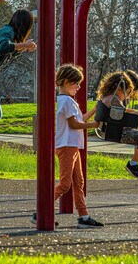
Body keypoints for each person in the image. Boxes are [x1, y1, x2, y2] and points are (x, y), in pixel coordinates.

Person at [30, 64, 104, 229]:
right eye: (75, 83)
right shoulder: (66, 101)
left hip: (72, 146)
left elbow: (80, 119)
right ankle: (40, 212)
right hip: (66, 146)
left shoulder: (68, 101)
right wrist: (94, 125)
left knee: (79, 182)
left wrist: (93, 111)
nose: (78, 87)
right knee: (65, 184)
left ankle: (84, 216)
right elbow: (74, 124)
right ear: (65, 82)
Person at [96, 71, 138, 188]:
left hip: (114, 131)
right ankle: (133, 164)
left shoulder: (108, 98)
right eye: (127, 93)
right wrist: (137, 113)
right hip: (117, 132)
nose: (127, 96)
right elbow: (122, 111)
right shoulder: (113, 99)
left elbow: (121, 110)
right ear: (120, 89)